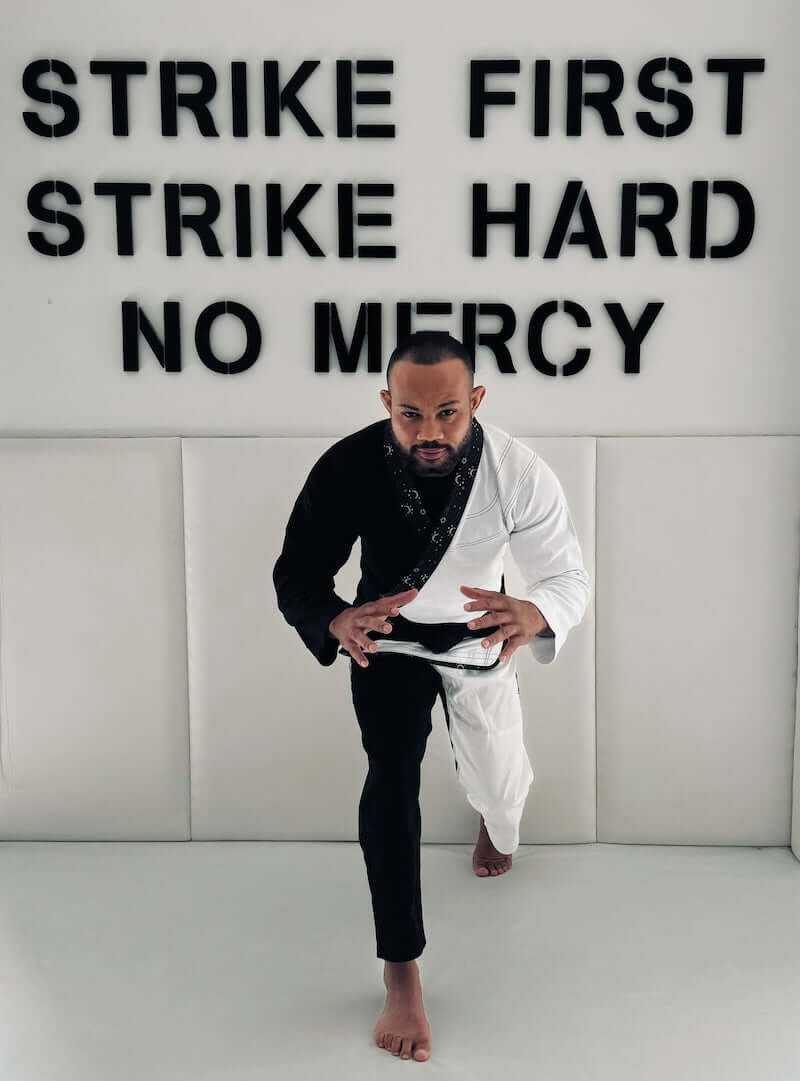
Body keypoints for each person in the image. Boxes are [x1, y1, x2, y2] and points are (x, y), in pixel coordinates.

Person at [272, 330, 591, 1062]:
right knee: (391, 778)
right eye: (411, 415)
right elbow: (297, 571)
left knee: (499, 780)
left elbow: (567, 575)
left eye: (448, 413)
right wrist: (333, 618)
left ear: (475, 401)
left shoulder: (516, 469)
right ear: (388, 402)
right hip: (388, 639)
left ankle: (498, 821)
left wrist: (537, 613)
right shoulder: (349, 464)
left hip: (483, 638)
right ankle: (401, 970)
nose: (429, 432)